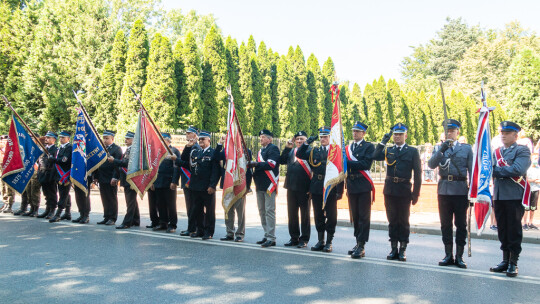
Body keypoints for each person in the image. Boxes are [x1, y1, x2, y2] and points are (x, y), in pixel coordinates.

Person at [372, 123, 421, 262]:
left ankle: (403, 249)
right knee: (392, 220)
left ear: (405, 135)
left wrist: (415, 193)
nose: (397, 136)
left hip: (404, 190)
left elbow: (418, 174)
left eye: (400, 134)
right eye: (395, 134)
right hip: (390, 190)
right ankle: (393, 248)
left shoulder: (412, 151)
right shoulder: (389, 150)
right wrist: (382, 142)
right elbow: (375, 156)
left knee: (404, 220)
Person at [428, 119, 473, 268]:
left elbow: (472, 171)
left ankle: (459, 256)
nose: (449, 133)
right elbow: (431, 164)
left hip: (460, 190)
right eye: (447, 131)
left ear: (458, 132)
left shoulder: (466, 149)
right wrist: (441, 150)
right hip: (444, 190)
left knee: (461, 224)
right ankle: (448, 254)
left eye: (452, 131)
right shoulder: (439, 148)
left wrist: (473, 191)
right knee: (445, 224)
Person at [489, 121, 531, 277]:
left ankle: (513, 262)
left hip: (514, 195)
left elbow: (518, 169)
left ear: (515, 135)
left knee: (513, 229)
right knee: (503, 229)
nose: (503, 135)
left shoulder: (522, 150)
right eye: (502, 133)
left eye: (507, 133)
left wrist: (497, 171)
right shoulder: (497, 152)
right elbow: (490, 169)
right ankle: (505, 260)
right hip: (499, 195)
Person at [296, 126, 344, 253]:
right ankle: (320, 240)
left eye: (325, 136)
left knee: (331, 215)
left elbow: (341, 171)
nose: (323, 139)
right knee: (318, 215)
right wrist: (306, 143)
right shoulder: (314, 151)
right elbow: (299, 154)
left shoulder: (335, 152)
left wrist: (340, 190)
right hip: (317, 186)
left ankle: (329, 241)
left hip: (330, 187)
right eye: (321, 136)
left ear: (330, 138)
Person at [180, 130, 220, 239]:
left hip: (207, 187)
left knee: (209, 211)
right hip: (195, 186)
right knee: (197, 209)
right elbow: (184, 160)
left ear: (209, 140)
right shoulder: (196, 152)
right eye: (200, 139)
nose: (201, 141)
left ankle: (209, 232)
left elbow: (215, 171)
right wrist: (188, 147)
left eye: (203, 139)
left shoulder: (213, 153)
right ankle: (200, 230)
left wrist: (212, 185)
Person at [344, 122, 375, 259]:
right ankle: (357, 242)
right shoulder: (348, 147)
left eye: (358, 131)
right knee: (355, 216)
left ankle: (362, 245)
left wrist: (346, 162)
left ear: (364, 133)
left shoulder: (368, 146)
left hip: (363, 185)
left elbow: (365, 164)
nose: (355, 133)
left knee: (363, 216)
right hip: (352, 184)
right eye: (353, 131)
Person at [215, 135, 253, 243]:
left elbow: (248, 170)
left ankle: (240, 234)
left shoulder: (246, 151)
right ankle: (229, 233)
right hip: (228, 185)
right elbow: (215, 157)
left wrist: (248, 187)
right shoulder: (226, 151)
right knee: (228, 210)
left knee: (240, 213)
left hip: (240, 185)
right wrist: (220, 144)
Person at [278, 131, 312, 248]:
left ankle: (304, 239)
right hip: (291, 187)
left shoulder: (310, 151)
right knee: (292, 214)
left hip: (304, 188)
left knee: (305, 215)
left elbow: (314, 170)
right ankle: (294, 237)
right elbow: (281, 160)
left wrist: (310, 188)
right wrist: (287, 148)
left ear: (306, 140)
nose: (299, 141)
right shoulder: (292, 151)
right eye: (297, 139)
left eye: (301, 139)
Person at [248, 129, 280, 248]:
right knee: (262, 211)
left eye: (263, 137)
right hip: (260, 184)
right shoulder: (261, 150)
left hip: (269, 185)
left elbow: (271, 164)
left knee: (269, 211)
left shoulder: (273, 149)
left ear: (270, 139)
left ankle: (271, 238)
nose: (261, 139)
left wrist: (256, 164)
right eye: (260, 137)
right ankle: (266, 234)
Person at [151, 133, 181, 233]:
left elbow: (177, 167)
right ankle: (163, 222)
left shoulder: (173, 151)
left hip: (169, 181)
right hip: (158, 181)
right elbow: (153, 168)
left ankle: (172, 224)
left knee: (171, 204)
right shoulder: (157, 151)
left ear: (167, 140)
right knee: (160, 203)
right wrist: (152, 182)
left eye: (162, 139)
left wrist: (174, 181)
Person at [109, 131, 140, 229]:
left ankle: (127, 222)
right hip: (127, 178)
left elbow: (127, 163)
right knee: (132, 200)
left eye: (128, 138)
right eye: (126, 138)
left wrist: (115, 161)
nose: (126, 140)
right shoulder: (129, 149)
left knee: (130, 201)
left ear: (134, 140)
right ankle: (135, 219)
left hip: (131, 178)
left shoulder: (135, 150)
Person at [95, 130, 122, 225]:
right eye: (104, 138)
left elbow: (117, 165)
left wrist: (115, 177)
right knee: (104, 198)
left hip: (110, 177)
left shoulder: (116, 149)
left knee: (111, 198)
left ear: (112, 139)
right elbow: (97, 163)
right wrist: (96, 176)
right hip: (102, 177)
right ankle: (106, 216)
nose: (105, 140)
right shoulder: (101, 149)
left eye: (107, 138)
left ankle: (112, 218)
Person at [179, 126, 199, 236]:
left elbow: (188, 164)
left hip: (191, 180)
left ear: (195, 135)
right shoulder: (190, 146)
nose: (187, 135)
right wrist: (187, 147)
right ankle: (191, 227)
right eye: (186, 133)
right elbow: (183, 159)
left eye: (189, 133)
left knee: (192, 206)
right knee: (190, 206)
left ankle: (193, 228)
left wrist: (176, 160)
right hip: (187, 179)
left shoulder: (196, 147)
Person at [48, 131, 73, 222]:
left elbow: (64, 160)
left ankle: (58, 214)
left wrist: (54, 159)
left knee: (63, 194)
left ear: (68, 139)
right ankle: (67, 213)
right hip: (59, 174)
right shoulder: (60, 148)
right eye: (60, 137)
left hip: (65, 174)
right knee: (65, 194)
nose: (61, 139)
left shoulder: (69, 147)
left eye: (63, 137)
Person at [36, 132, 59, 219]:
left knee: (52, 193)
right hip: (42, 173)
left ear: (54, 139)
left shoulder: (56, 150)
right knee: (46, 193)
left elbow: (55, 163)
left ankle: (52, 210)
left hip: (50, 174)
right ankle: (47, 209)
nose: (46, 139)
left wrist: (53, 175)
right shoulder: (43, 149)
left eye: (49, 137)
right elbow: (40, 162)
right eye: (46, 137)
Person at [523, 153, 539, 230]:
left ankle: (531, 223)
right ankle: (524, 223)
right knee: (526, 207)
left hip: (536, 189)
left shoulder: (538, 168)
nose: (536, 160)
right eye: (534, 158)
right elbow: (524, 179)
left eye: (537, 158)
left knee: (533, 207)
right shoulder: (527, 168)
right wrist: (533, 180)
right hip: (528, 189)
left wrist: (537, 181)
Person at [0, 135, 15, 213]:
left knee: (9, 189)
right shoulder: (1, 150)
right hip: (1, 172)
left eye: (5, 140)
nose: (2, 141)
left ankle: (10, 205)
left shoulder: (11, 151)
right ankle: (5, 203)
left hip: (9, 172)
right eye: (1, 140)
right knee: (3, 189)